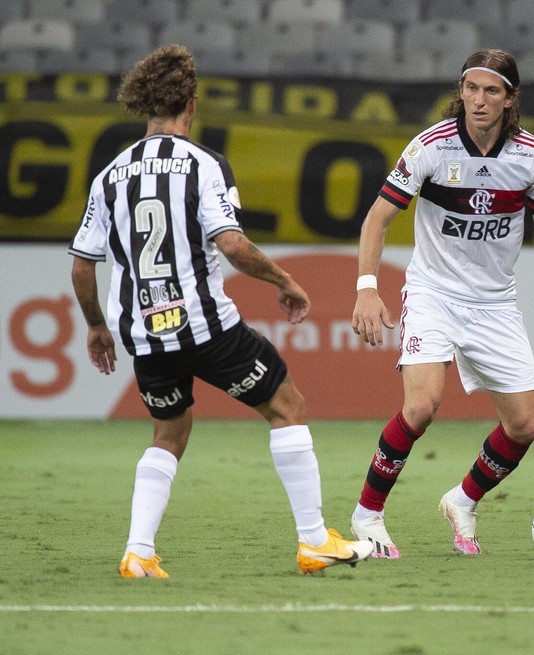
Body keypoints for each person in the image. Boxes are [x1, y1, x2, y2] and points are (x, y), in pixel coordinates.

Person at [68, 45, 371, 578]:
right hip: (204, 326)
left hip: (144, 333)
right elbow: (231, 245)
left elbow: (81, 266)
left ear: (144, 104)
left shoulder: (109, 176)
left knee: (169, 433)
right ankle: (314, 540)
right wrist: (284, 279)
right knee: (286, 406)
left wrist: (96, 325)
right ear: (191, 101)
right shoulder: (203, 164)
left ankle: (138, 553)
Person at [348, 49, 534, 558]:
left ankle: (462, 500)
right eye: (470, 88)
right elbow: (377, 219)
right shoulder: (430, 147)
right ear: (460, 91)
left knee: (524, 426)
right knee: (421, 406)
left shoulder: (532, 156)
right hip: (433, 293)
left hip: (495, 303)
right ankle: (367, 516)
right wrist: (367, 286)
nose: (478, 100)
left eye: (491, 90)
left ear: (510, 99)